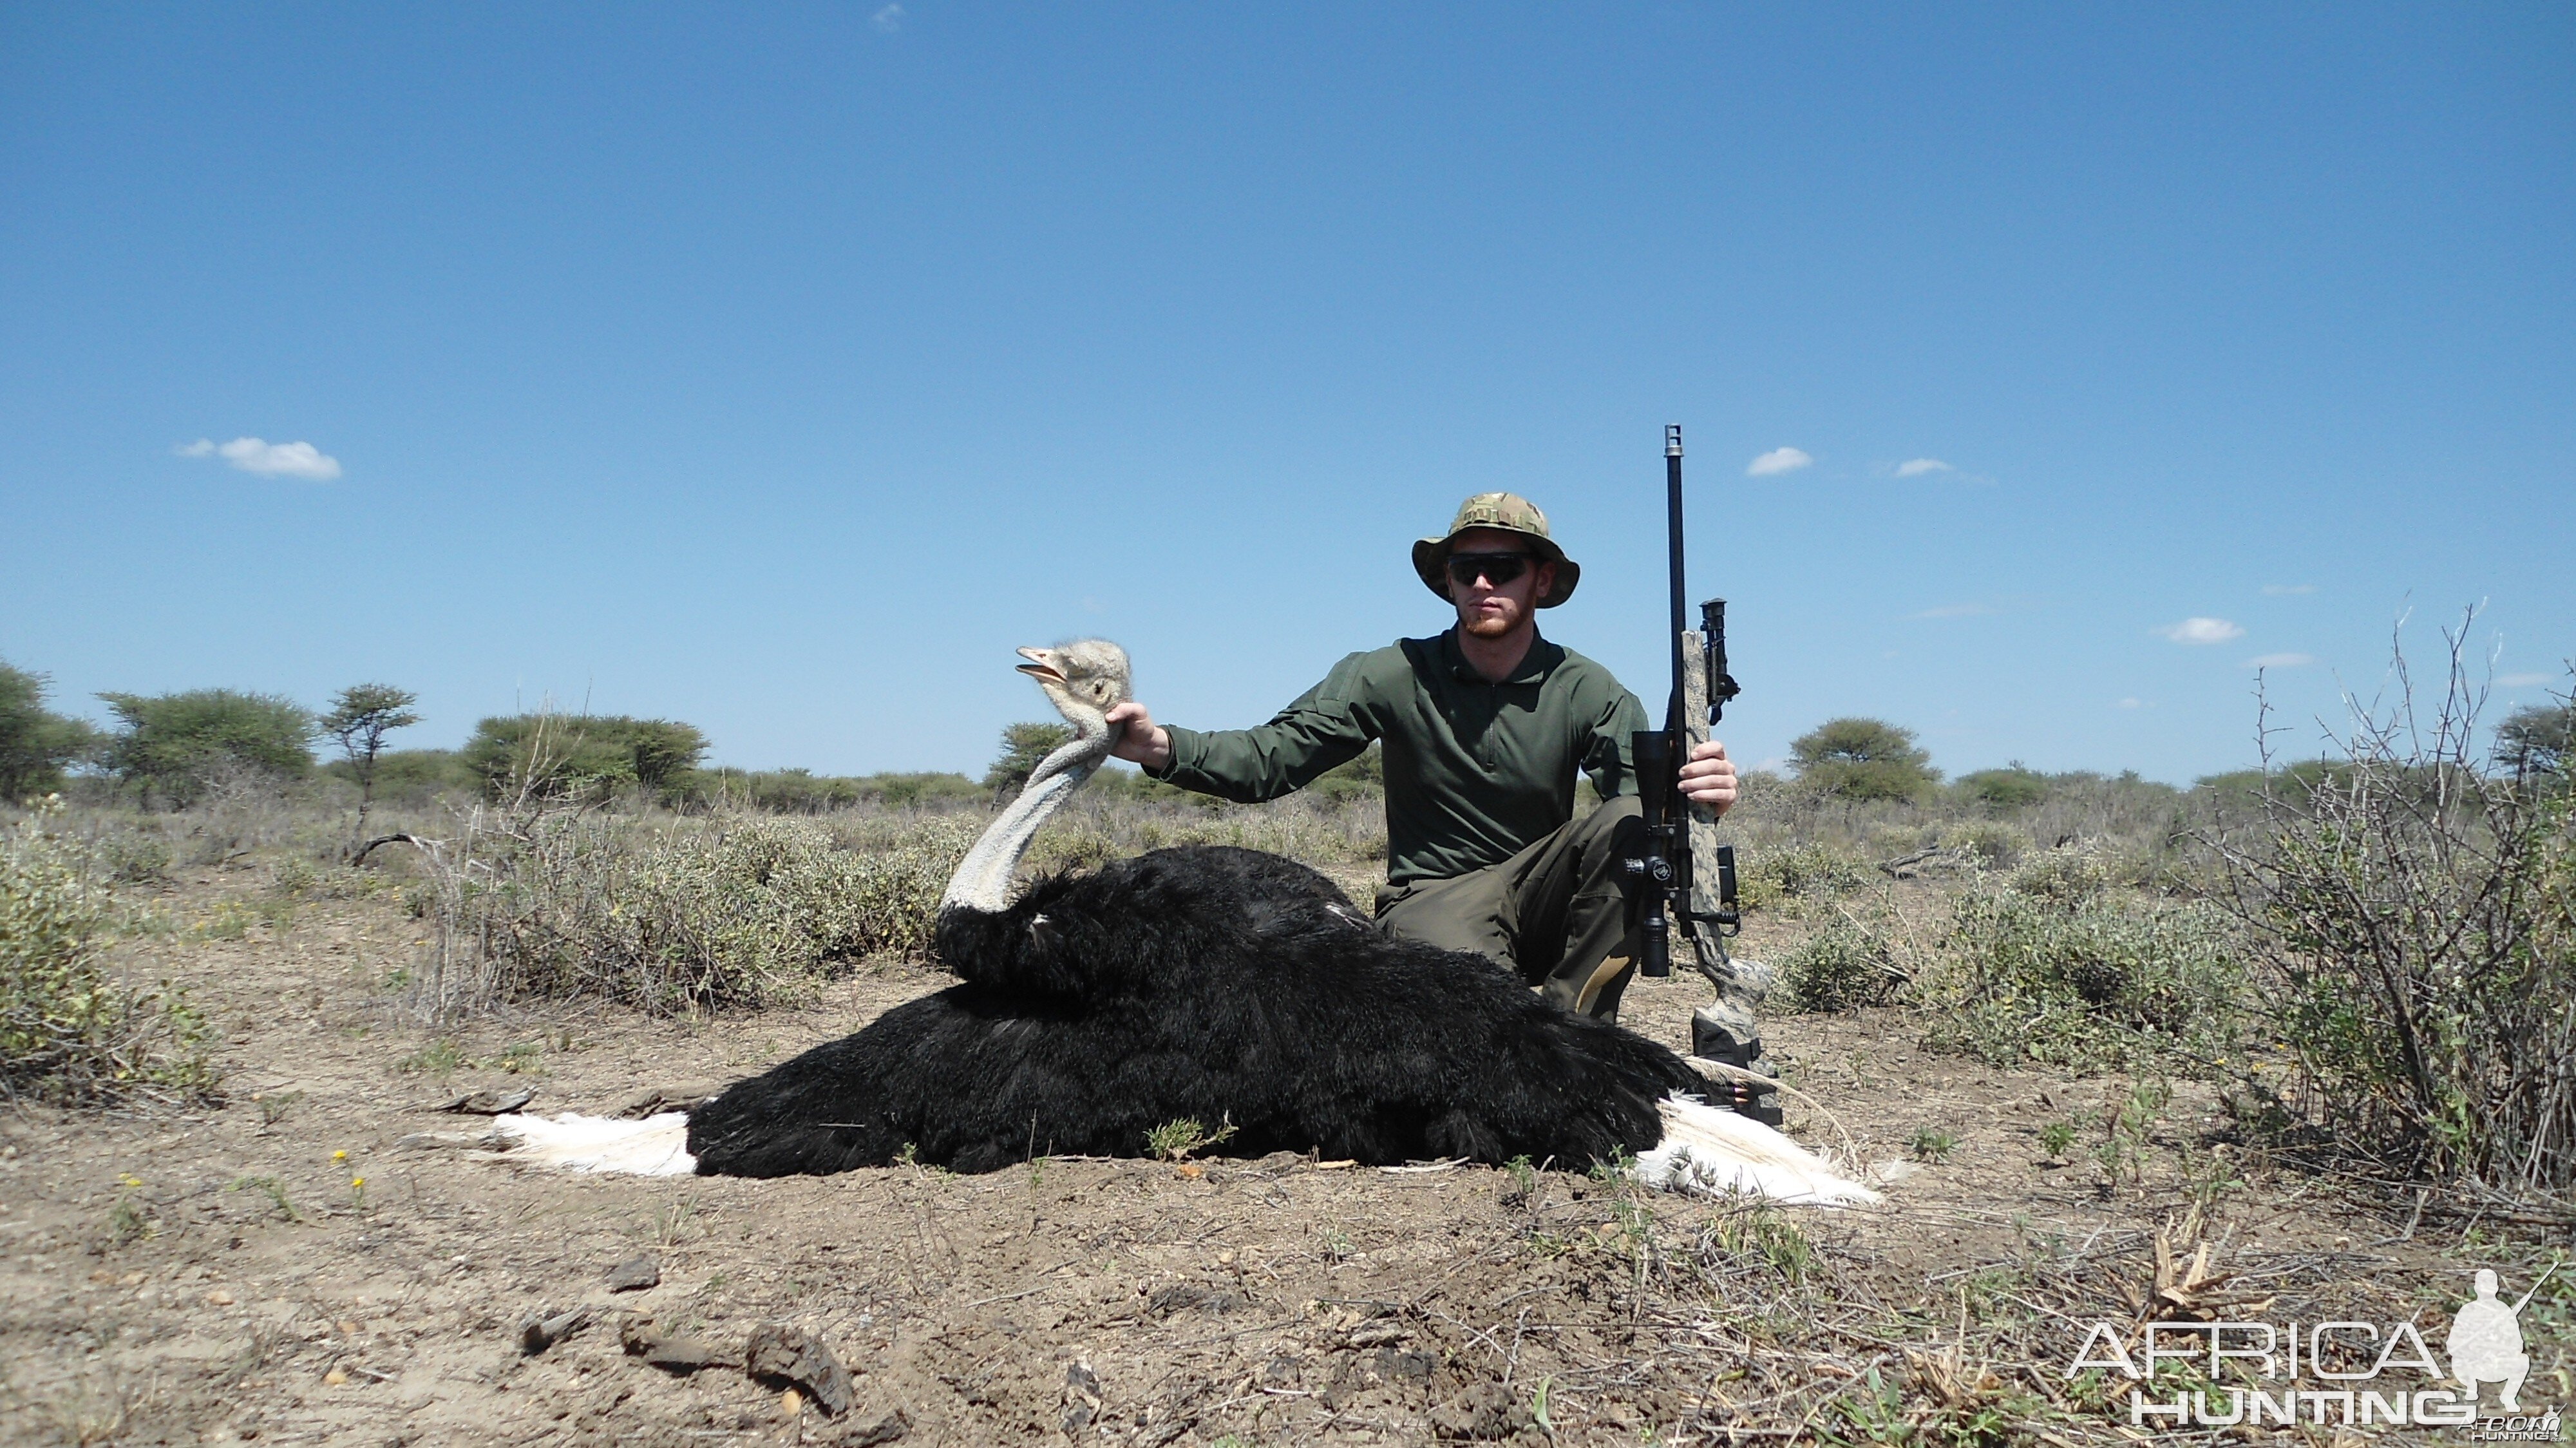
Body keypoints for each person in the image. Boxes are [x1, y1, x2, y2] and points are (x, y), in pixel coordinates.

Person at [1107, 491, 1738, 1022]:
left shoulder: (1586, 687)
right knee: (1477, 1024)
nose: (1483, 584)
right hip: (1436, 896)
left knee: (1632, 824)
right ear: (1448, 583)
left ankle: (1582, 1038)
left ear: (1541, 579)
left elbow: (1645, 810)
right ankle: (1519, 1037)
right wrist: (1159, 746)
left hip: (1542, 899)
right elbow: (1270, 757)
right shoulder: (1388, 672)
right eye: (1467, 571)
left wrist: (1700, 798)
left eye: (1503, 566)